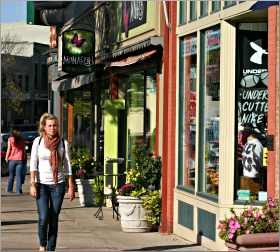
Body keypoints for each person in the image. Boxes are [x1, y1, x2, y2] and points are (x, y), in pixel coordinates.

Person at [30, 113, 75, 251]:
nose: (52, 128)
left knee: (53, 218)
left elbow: (67, 165)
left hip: (58, 185)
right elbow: (33, 163)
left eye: (55, 125)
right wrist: (32, 183)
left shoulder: (63, 143)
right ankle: (42, 244)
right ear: (44, 127)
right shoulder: (38, 142)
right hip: (42, 185)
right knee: (43, 218)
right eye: (49, 125)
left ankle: (51, 248)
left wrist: (71, 186)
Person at [5, 127, 27, 194]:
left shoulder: (10, 139)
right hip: (20, 160)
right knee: (18, 176)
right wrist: (25, 158)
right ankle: (18, 191)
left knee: (11, 175)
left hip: (11, 160)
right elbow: (24, 150)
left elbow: (9, 149)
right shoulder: (22, 139)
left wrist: (6, 157)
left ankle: (9, 189)